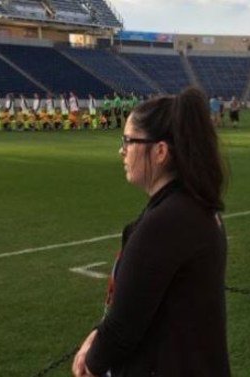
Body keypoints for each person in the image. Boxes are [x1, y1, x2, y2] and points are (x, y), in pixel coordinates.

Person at [72, 87, 230, 377]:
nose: (121, 150)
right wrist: (98, 334)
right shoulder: (189, 207)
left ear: (159, 152)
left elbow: (123, 328)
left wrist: (91, 364)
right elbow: (143, 303)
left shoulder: (168, 220)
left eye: (128, 141)